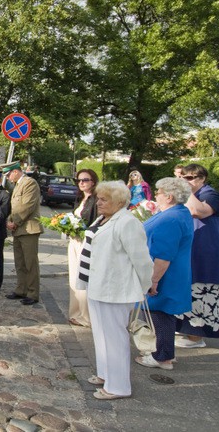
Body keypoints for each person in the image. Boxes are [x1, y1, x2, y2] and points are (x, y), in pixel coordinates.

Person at [78, 181, 153, 400]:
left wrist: (144, 286)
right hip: (97, 285)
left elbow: (142, 260)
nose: (99, 203)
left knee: (115, 338)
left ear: (119, 202)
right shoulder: (104, 218)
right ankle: (105, 374)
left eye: (104, 200)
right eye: (98, 199)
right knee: (101, 335)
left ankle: (118, 386)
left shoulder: (127, 222)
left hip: (115, 288)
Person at [135, 177, 194, 370]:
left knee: (159, 313)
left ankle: (162, 356)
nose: (156, 195)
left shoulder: (171, 218)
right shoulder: (178, 212)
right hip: (172, 271)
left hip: (165, 274)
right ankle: (164, 351)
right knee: (161, 314)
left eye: (159, 192)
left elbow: (163, 255)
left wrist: (153, 281)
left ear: (168, 197)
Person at [177, 163, 219, 348]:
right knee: (191, 290)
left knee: (204, 291)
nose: (186, 182)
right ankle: (188, 332)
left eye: (190, 178)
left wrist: (187, 192)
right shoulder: (194, 195)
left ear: (202, 178)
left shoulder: (211, 195)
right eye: (183, 178)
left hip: (210, 253)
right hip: (194, 250)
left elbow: (198, 211)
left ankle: (197, 336)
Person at [3, 161, 43, 305]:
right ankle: (21, 289)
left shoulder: (29, 183)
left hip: (28, 229)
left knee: (30, 263)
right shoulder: (18, 185)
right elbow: (14, 208)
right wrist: (9, 220)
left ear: (15, 171)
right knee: (20, 262)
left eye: (8, 175)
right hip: (19, 229)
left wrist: (15, 222)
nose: (7, 178)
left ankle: (33, 293)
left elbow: (27, 206)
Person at [67, 168, 100, 326]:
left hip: (85, 242)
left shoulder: (95, 200)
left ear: (93, 181)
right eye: (79, 180)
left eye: (85, 180)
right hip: (74, 241)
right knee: (74, 278)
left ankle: (87, 316)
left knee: (83, 278)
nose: (81, 183)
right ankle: (76, 312)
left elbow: (95, 223)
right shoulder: (80, 198)